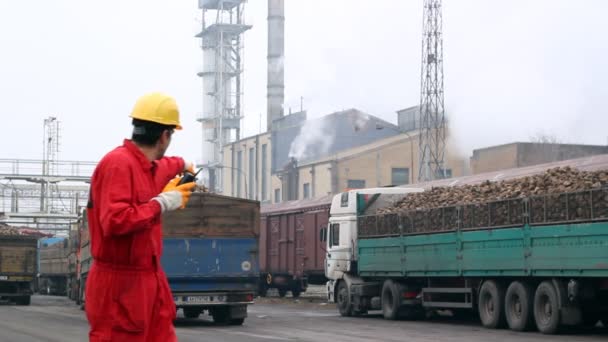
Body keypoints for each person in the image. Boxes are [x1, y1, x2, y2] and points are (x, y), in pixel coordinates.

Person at [85, 92, 196, 342]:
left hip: (147, 279)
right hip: (120, 285)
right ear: (165, 135)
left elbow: (164, 167)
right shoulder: (118, 165)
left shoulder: (145, 166)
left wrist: (184, 164)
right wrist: (162, 203)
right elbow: (115, 220)